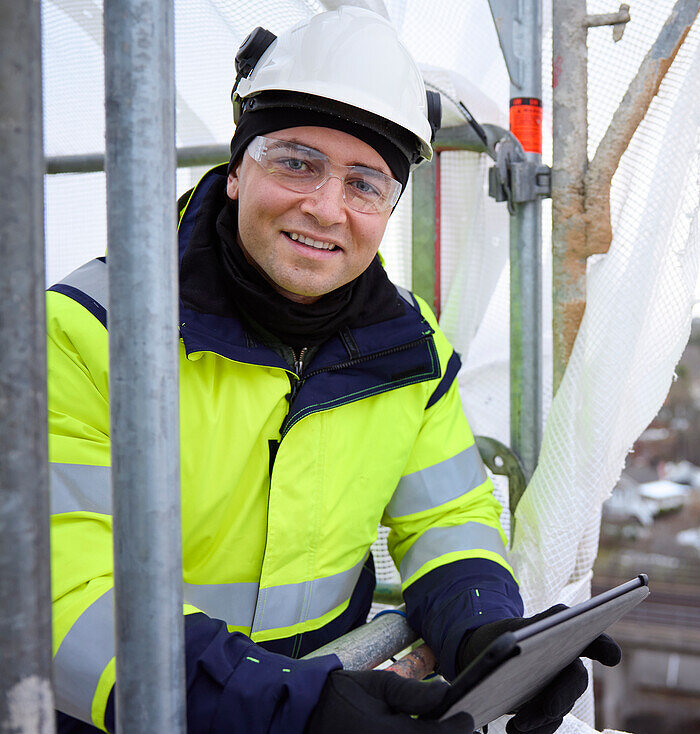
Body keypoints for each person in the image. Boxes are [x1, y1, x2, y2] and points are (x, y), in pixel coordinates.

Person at [46, 7, 618, 734]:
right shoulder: (86, 331)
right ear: (235, 170)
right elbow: (64, 591)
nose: (324, 209)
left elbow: (448, 519)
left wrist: (485, 634)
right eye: (295, 162)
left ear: (388, 208)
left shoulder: (410, 347)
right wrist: (290, 705)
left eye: (364, 183)